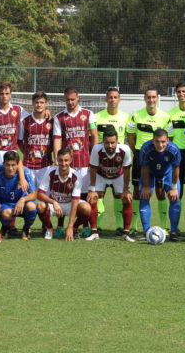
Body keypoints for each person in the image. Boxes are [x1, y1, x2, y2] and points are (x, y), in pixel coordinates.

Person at [53, 86, 98, 237]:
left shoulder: (88, 114)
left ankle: (83, 225)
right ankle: (60, 226)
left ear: (78, 98)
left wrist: (94, 156)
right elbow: (57, 139)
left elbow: (94, 137)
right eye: (67, 100)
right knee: (62, 194)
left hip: (85, 163)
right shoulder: (59, 117)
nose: (70, 102)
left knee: (84, 196)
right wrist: (56, 158)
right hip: (67, 164)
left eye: (72, 99)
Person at [127, 87, 173, 235]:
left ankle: (164, 227)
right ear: (144, 98)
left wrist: (161, 151)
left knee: (160, 192)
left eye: (154, 97)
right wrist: (136, 152)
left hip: (160, 156)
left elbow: (169, 137)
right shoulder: (135, 116)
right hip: (141, 155)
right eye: (148, 97)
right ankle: (134, 227)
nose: (151, 100)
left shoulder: (165, 117)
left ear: (158, 98)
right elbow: (130, 135)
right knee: (137, 192)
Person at [86, 128, 134, 242]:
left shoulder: (125, 150)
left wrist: (126, 189)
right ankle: (94, 231)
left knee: (127, 198)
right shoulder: (97, 149)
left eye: (113, 142)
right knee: (93, 198)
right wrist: (92, 189)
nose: (110, 145)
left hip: (119, 176)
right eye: (107, 142)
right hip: (101, 175)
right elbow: (93, 168)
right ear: (103, 142)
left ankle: (126, 233)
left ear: (117, 141)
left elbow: (127, 170)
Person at [94, 86, 130, 233]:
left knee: (118, 195)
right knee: (99, 195)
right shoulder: (97, 117)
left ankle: (120, 226)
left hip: (118, 163)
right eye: (110, 97)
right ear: (105, 99)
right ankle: (99, 225)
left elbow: (131, 137)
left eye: (115, 97)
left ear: (119, 100)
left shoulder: (126, 117)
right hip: (102, 163)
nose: (112, 100)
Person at [0, 151, 38, 242]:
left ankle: (26, 229)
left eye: (13, 165)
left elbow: (34, 194)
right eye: (8, 165)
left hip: (21, 204)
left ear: (17, 165)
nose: (11, 168)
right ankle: (5, 227)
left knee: (32, 206)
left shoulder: (24, 173)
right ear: (3, 164)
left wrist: (23, 199)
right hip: (6, 206)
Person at [37, 148, 91, 241]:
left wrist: (70, 226)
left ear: (71, 160)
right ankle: (49, 228)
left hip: (69, 204)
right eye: (61, 160)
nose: (63, 163)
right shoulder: (50, 172)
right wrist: (53, 202)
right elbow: (40, 194)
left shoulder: (76, 175)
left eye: (66, 160)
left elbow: (75, 201)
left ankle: (74, 228)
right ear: (57, 160)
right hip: (55, 204)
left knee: (86, 208)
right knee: (40, 205)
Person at [138, 129, 181, 241]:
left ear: (167, 140)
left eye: (163, 141)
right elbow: (144, 168)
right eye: (157, 141)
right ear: (153, 140)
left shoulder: (174, 150)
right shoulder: (145, 149)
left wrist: (174, 187)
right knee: (144, 197)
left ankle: (174, 232)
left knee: (175, 199)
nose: (160, 145)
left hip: (168, 174)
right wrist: (146, 187)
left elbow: (176, 168)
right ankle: (146, 231)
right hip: (150, 174)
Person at [18, 91, 54, 191]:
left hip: (45, 165)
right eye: (37, 102)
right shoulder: (25, 121)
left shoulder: (52, 121)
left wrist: (48, 152)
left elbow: (55, 142)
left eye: (42, 102)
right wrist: (26, 152)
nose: (39, 105)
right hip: (28, 165)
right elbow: (19, 141)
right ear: (33, 103)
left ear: (46, 104)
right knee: (28, 197)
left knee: (45, 198)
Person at [168, 82, 185, 209]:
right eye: (179, 92)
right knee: (176, 191)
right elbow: (169, 137)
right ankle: (174, 228)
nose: (181, 94)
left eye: (184, 91)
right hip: (176, 154)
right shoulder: (171, 114)